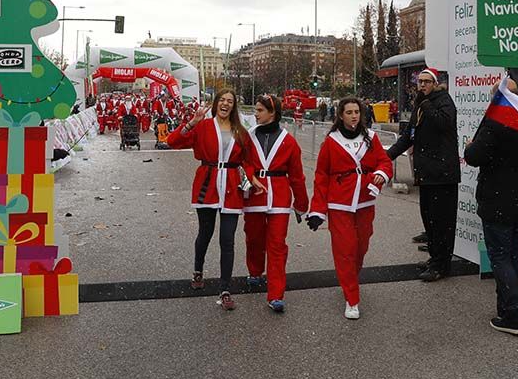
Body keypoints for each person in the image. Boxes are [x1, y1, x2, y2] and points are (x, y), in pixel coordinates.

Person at [464, 78, 518, 337]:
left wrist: (470, 147)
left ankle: (514, 314)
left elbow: (474, 157)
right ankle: (504, 308)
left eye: (496, 95)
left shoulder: (496, 122)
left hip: (498, 201)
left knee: (500, 257)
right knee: (511, 256)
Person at [308, 97, 393, 319]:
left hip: (365, 201)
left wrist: (381, 174)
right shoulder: (331, 141)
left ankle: (349, 279)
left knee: (360, 247)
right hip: (339, 203)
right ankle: (352, 298)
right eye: (349, 112)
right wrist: (317, 210)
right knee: (345, 250)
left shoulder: (371, 138)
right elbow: (321, 177)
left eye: (357, 112)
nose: (354, 115)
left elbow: (384, 162)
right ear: (341, 115)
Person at [167, 88, 250, 310]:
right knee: (205, 233)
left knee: (228, 239)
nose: (225, 104)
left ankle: (225, 289)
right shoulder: (203, 126)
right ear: (216, 104)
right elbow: (172, 141)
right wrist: (192, 122)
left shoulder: (240, 131)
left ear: (234, 106)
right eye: (222, 100)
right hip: (207, 185)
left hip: (232, 188)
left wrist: (252, 180)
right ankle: (198, 270)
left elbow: (248, 160)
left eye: (230, 101)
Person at [386, 67, 460, 281]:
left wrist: (426, 105)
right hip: (426, 174)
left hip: (443, 175)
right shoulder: (420, 104)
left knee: (442, 222)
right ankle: (434, 258)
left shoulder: (443, 100)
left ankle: (442, 265)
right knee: (429, 220)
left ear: (435, 84)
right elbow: (408, 136)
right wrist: (387, 156)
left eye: (427, 82)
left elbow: (445, 123)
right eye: (420, 82)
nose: (423, 85)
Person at [242, 94, 308, 312]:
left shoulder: (288, 141)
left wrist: (301, 203)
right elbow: (241, 163)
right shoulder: (248, 137)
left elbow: (297, 175)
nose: (256, 114)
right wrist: (250, 176)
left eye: (260, 110)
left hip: (279, 197)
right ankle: (255, 270)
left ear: (272, 113)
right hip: (255, 195)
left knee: (277, 245)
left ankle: (276, 293)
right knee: (254, 238)